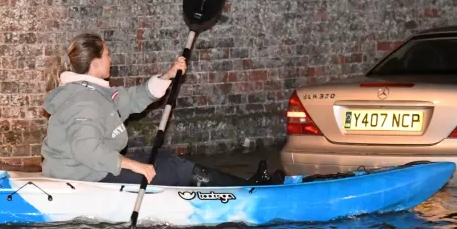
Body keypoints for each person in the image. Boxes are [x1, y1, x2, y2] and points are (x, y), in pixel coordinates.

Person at [40, 32, 285, 187]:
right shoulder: (85, 100)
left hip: (89, 169)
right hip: (84, 176)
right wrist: (135, 166)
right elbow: (86, 150)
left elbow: (133, 98)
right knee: (174, 169)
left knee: (164, 158)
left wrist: (167, 75)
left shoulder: (95, 92)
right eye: (107, 55)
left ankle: (246, 184)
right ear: (95, 63)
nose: (111, 60)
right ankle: (248, 191)